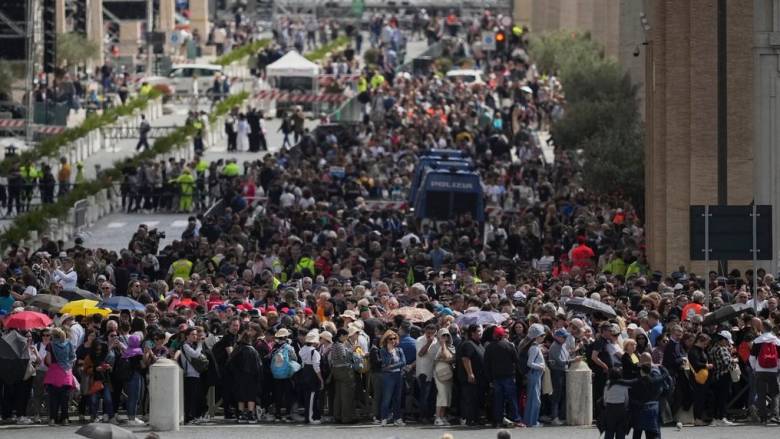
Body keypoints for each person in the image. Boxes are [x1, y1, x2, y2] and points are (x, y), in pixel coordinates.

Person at [484, 325, 522, 427]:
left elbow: (486, 364)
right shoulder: (509, 346)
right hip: (509, 376)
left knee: (498, 400)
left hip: (496, 377)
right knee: (512, 399)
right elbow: (516, 360)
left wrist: (489, 379)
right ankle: (516, 419)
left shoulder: (489, 347)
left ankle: (498, 421)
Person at [227, 330, 262, 424]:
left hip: (239, 377)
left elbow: (230, 363)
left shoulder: (237, 349)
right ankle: (251, 414)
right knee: (251, 396)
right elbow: (258, 365)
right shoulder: (253, 350)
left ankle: (241, 414)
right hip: (251, 377)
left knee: (240, 396)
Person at [43, 328, 76, 426]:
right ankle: (65, 419)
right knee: (65, 398)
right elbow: (72, 357)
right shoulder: (69, 343)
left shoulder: (50, 345)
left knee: (53, 398)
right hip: (66, 373)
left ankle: (52, 419)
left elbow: (48, 361)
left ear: (52, 336)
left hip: (54, 372)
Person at [749, 319, 780, 424]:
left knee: (761, 393)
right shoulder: (777, 341)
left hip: (760, 370)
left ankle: (763, 418)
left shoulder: (757, 340)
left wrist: (754, 368)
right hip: (773, 370)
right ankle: (775, 415)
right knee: (775, 393)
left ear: (762, 328)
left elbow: (752, 357)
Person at [456, 324, 485, 426]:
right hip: (470, 377)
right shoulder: (468, 344)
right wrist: (470, 373)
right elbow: (465, 359)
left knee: (476, 398)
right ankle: (469, 419)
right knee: (469, 398)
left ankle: (476, 418)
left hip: (480, 377)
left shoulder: (479, 344)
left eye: (481, 331)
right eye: (478, 331)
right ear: (472, 333)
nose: (480, 333)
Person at [176, 327, 206, 424]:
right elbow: (195, 355)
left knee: (196, 396)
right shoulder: (185, 346)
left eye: (196, 334)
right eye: (193, 334)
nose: (195, 336)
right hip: (190, 375)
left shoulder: (193, 345)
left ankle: (194, 416)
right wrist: (200, 344)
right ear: (187, 336)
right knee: (190, 397)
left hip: (196, 374)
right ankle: (189, 417)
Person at [379, 329, 406, 426]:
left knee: (397, 398)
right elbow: (386, 362)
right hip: (388, 376)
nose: (393, 340)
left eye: (395, 338)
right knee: (387, 398)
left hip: (398, 375)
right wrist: (390, 352)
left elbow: (403, 362)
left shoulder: (399, 350)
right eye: (391, 339)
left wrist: (391, 366)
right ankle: (384, 418)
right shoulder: (383, 350)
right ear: (386, 340)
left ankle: (397, 418)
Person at [709, 330, 736, 426]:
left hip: (716, 375)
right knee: (723, 397)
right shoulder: (722, 349)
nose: (728, 343)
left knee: (718, 397)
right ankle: (722, 417)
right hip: (724, 375)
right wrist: (734, 361)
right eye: (727, 341)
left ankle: (716, 418)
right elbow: (726, 363)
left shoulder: (713, 348)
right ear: (723, 340)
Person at [329, 328, 355, 424]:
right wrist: (352, 351)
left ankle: (337, 416)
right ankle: (346, 418)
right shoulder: (339, 345)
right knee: (346, 395)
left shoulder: (335, 344)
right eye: (346, 336)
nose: (347, 338)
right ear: (341, 336)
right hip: (344, 371)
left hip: (336, 371)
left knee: (338, 395)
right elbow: (344, 358)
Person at [298, 330, 324, 424]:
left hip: (305, 372)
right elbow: (316, 367)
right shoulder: (314, 352)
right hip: (312, 374)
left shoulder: (302, 349)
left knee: (307, 396)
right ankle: (310, 418)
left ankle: (311, 416)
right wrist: (321, 379)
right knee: (312, 397)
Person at [687, 333, 712, 425]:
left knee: (702, 397)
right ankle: (697, 418)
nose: (706, 346)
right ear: (699, 341)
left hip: (703, 377)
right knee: (698, 398)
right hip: (697, 378)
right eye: (705, 343)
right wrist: (706, 365)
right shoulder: (693, 351)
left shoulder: (701, 350)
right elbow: (696, 364)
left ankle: (700, 416)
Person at [432, 328, 455, 426]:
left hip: (448, 373)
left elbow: (452, 359)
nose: (445, 337)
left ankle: (442, 416)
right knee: (442, 395)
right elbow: (446, 356)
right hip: (440, 373)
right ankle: (437, 417)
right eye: (443, 335)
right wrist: (443, 345)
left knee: (447, 395)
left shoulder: (451, 346)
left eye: (447, 335)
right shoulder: (438, 346)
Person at [524, 323, 546, 427]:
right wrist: (540, 366)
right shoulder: (534, 348)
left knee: (533, 399)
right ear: (536, 336)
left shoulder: (535, 347)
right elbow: (529, 363)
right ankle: (533, 422)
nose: (543, 337)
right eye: (542, 335)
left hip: (535, 375)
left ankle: (529, 421)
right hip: (534, 374)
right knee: (535, 400)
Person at [123, 335, 146, 425]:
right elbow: (143, 365)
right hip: (136, 375)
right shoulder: (139, 351)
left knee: (130, 397)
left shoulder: (127, 351)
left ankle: (130, 417)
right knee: (135, 397)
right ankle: (132, 418)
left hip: (128, 376)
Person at [601, 368, 630, 439]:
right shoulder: (623, 384)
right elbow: (626, 399)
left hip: (610, 408)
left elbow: (605, 399)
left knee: (609, 430)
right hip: (621, 408)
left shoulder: (607, 384)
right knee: (621, 431)